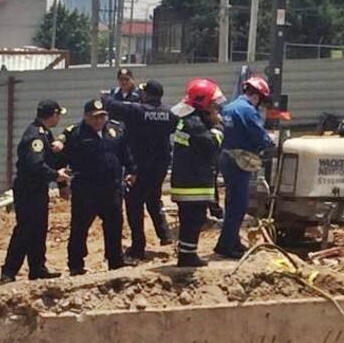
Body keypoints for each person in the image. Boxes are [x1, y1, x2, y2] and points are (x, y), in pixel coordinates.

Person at [62, 99, 137, 275]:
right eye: (94, 117)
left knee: (114, 224)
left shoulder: (115, 130)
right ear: (85, 117)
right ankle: (76, 264)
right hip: (86, 190)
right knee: (80, 227)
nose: (98, 121)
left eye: (102, 116)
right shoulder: (76, 134)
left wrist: (132, 170)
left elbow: (125, 153)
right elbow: (61, 161)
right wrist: (62, 184)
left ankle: (115, 260)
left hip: (111, 188)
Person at [0, 100, 71, 283]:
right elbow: (36, 165)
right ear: (53, 115)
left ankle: (37, 268)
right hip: (28, 189)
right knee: (25, 229)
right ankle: (9, 271)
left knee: (39, 228)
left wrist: (61, 182)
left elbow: (52, 160)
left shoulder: (45, 133)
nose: (59, 118)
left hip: (38, 188)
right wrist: (55, 175)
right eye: (58, 115)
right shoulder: (35, 136)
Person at [103, 79, 176, 259]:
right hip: (160, 165)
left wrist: (106, 97)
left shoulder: (137, 110)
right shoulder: (169, 113)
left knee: (134, 204)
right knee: (154, 198)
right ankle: (165, 235)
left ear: (146, 94)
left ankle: (138, 246)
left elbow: (113, 106)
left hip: (140, 166)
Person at [216, 75, 274, 259]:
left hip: (225, 157)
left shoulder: (229, 107)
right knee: (239, 205)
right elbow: (259, 136)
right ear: (257, 96)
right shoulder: (248, 111)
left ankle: (232, 241)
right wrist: (270, 143)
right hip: (239, 160)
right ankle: (225, 245)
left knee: (231, 201)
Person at [170, 79, 225, 268]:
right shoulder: (195, 124)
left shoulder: (188, 120)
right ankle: (187, 257)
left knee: (191, 221)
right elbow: (211, 145)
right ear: (203, 104)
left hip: (187, 182)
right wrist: (218, 128)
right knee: (193, 221)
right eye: (213, 103)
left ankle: (187, 254)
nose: (216, 107)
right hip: (193, 185)